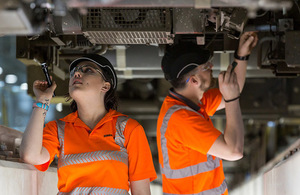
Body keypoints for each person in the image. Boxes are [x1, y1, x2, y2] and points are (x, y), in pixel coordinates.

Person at [20, 54, 157, 194]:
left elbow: (141, 192)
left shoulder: (128, 128)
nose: (77, 73)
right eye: (74, 72)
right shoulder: (58, 129)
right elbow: (31, 156)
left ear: (105, 86)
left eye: (88, 70)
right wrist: (42, 100)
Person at [157, 32, 258, 195]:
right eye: (205, 67)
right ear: (194, 81)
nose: (211, 67)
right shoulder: (181, 120)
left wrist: (242, 56)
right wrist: (232, 99)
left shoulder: (194, 103)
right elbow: (234, 151)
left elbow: (234, 86)